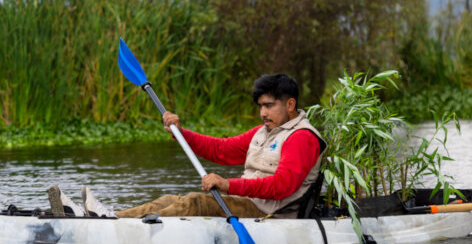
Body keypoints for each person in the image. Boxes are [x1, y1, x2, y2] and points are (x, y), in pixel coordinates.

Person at [53, 73, 327, 219]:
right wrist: (180, 133)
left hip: (271, 213)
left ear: (290, 105)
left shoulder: (302, 137)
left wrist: (228, 185)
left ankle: (113, 222)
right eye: (260, 107)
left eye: (269, 106)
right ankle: (111, 217)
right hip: (249, 203)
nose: (263, 113)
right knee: (170, 200)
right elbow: (221, 150)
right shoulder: (264, 131)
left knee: (195, 202)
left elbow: (282, 187)